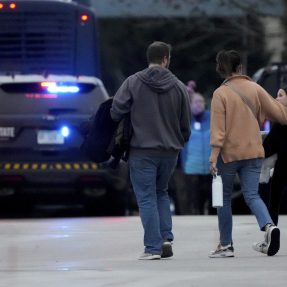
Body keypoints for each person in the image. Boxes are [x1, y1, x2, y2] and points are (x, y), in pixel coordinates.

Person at [110, 41, 191, 260]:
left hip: (142, 150)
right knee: (161, 192)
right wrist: (179, 142)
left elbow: (116, 110)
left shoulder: (133, 82)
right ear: (166, 59)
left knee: (146, 197)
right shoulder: (179, 87)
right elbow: (186, 124)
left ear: (150, 58)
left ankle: (153, 248)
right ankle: (165, 238)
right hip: (170, 151)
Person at [209, 50, 287, 258]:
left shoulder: (220, 94)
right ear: (240, 67)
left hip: (228, 155)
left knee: (224, 199)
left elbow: (218, 130)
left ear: (220, 69)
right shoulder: (255, 88)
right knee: (252, 195)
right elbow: (281, 115)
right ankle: (269, 226)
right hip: (254, 152)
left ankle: (226, 245)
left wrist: (213, 154)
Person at [180, 91, 212, 214]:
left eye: (201, 101)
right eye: (196, 101)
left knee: (211, 199)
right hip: (191, 168)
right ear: (190, 104)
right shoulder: (185, 119)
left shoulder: (211, 117)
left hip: (210, 168)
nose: (199, 104)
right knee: (195, 200)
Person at [263, 86, 287, 226]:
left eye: (280, 95)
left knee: (273, 203)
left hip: (283, 170)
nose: (276, 98)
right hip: (281, 170)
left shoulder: (279, 125)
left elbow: (266, 150)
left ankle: (272, 238)